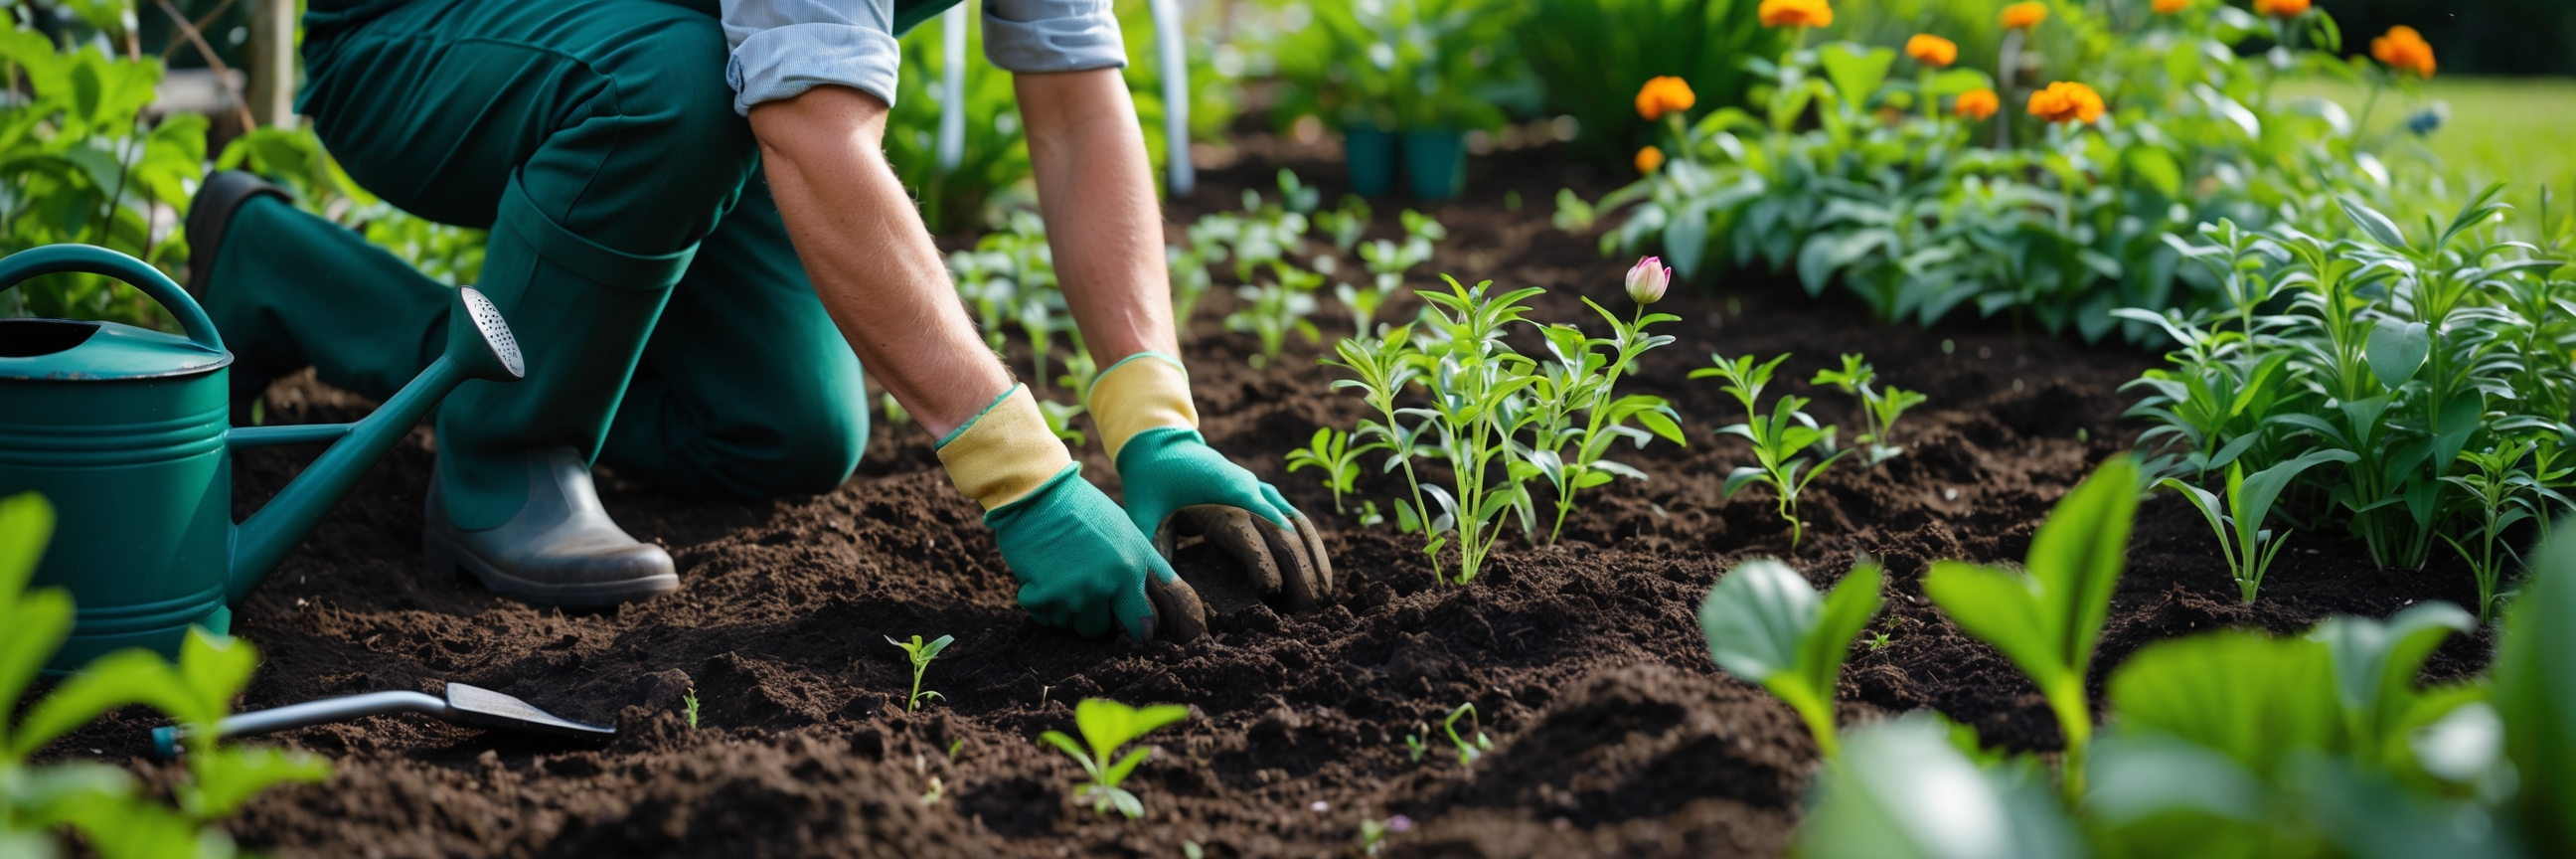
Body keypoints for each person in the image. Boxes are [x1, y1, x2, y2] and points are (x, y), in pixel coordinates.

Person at [186, 0, 1329, 641]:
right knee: (670, 85)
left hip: (669, 47)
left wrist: (1152, 415)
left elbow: (1077, 105)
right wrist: (1024, 477)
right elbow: (816, 137)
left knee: (780, 428)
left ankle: (282, 272)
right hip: (423, 37)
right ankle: (504, 454)